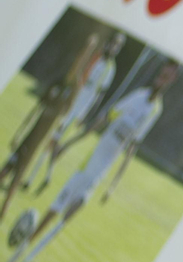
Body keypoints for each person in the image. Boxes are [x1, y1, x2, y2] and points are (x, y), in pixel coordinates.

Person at [2, 62, 180, 262]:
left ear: (171, 81)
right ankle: (22, 251)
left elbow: (132, 146)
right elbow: (104, 119)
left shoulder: (155, 111)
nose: (162, 79)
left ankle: (29, 259)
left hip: (99, 173)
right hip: (87, 165)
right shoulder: (138, 97)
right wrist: (69, 144)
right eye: (162, 74)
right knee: (54, 211)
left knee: (73, 210)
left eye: (167, 77)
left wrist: (113, 184)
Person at [28, 32, 123, 194]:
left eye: (117, 46)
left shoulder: (110, 69)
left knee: (55, 139)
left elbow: (99, 95)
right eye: (112, 43)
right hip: (69, 101)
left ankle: (36, 176)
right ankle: (43, 176)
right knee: (52, 137)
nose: (113, 47)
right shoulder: (96, 57)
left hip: (79, 109)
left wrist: (86, 115)